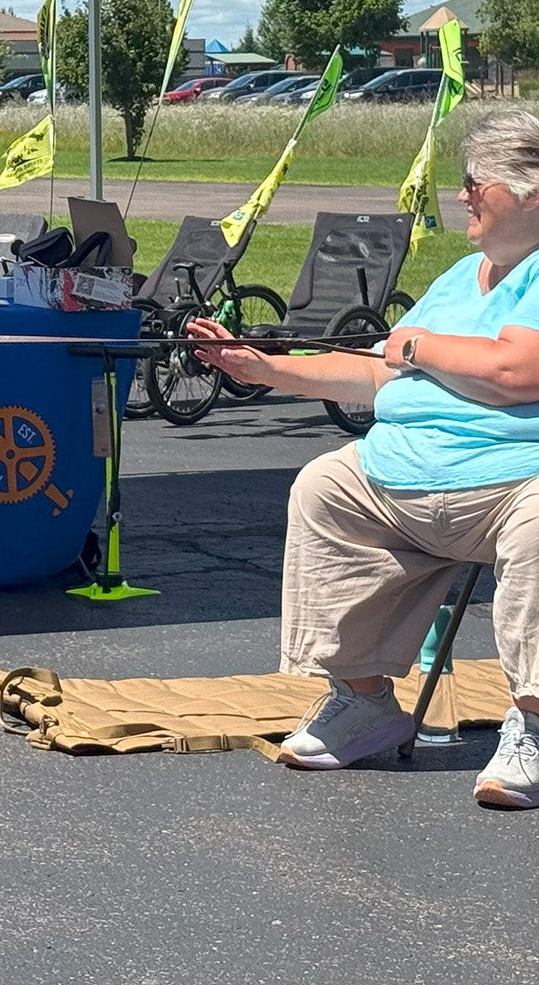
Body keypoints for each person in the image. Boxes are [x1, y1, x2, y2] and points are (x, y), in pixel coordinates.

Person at [189, 109, 539, 806]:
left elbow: (514, 374)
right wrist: (264, 368)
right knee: (326, 484)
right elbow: (377, 373)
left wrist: (415, 346)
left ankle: (533, 724)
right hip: (404, 479)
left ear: (529, 191)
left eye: (477, 182)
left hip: (514, 483)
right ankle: (363, 701)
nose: (463, 194)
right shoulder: (459, 277)